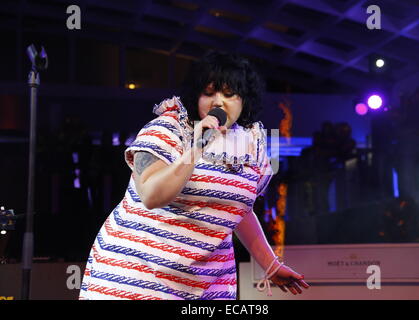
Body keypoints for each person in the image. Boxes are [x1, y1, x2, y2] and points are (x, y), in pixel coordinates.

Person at [79, 51, 309, 300]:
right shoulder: (168, 130)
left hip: (207, 285)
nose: (218, 102)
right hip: (136, 276)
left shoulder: (253, 145)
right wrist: (196, 147)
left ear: (244, 99)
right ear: (196, 96)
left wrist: (271, 265)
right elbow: (152, 196)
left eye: (229, 94)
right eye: (209, 93)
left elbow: (237, 210)